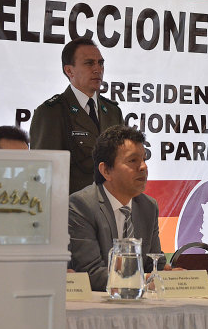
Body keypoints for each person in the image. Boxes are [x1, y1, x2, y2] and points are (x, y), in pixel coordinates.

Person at [68, 125, 167, 291]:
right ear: (106, 170)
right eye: (133, 160)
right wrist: (142, 279)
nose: (143, 167)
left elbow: (153, 264)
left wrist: (169, 274)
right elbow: (89, 273)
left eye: (144, 159)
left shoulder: (148, 207)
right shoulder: (81, 205)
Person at [30, 38, 124, 194]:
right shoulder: (51, 113)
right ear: (69, 71)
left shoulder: (113, 112)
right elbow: (42, 174)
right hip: (71, 212)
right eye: (89, 63)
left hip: (109, 210)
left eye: (100, 63)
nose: (97, 69)